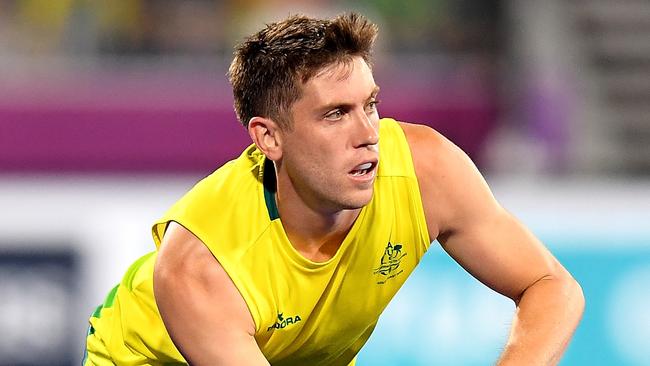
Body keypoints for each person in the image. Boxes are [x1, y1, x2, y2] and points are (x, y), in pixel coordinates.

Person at [83, 12, 584, 366]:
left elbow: (552, 288)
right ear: (269, 137)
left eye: (370, 104)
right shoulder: (200, 268)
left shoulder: (425, 170)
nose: (368, 132)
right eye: (335, 114)